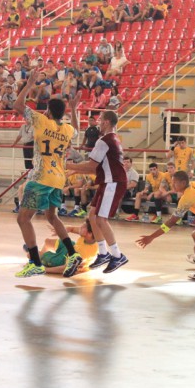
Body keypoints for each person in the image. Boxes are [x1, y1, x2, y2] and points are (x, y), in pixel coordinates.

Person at [12, 70, 82, 278]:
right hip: (58, 179)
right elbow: (77, 129)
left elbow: (17, 105)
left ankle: (35, 262)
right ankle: (72, 252)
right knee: (52, 216)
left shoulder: (42, 122)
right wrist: (75, 109)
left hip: (41, 178)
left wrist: (29, 84)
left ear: (49, 112)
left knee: (23, 219)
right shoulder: (67, 129)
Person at [65, 110, 128, 276]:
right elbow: (97, 166)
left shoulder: (104, 140)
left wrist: (70, 166)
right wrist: (76, 170)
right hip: (107, 181)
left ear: (106, 122)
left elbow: (91, 166)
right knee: (92, 214)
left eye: (100, 120)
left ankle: (117, 255)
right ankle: (103, 252)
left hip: (113, 182)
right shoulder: (113, 138)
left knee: (100, 218)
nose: (98, 123)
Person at [28, 220, 98, 275]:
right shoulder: (89, 237)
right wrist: (60, 230)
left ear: (90, 233)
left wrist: (45, 269)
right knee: (48, 241)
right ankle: (44, 259)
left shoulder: (85, 253)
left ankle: (43, 260)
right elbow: (71, 228)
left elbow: (66, 268)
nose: (81, 226)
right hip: (73, 248)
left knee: (30, 254)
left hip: (63, 260)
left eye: (84, 226)